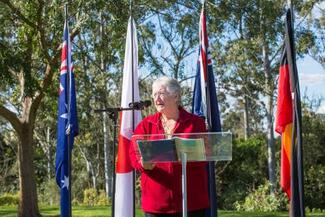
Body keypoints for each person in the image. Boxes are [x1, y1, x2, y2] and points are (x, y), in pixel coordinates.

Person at [130, 76, 209, 217]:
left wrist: (185, 157)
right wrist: (143, 164)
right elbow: (134, 155)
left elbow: (206, 154)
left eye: (161, 93)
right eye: (154, 94)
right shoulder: (145, 125)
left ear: (176, 96)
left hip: (191, 201)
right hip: (156, 203)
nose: (157, 99)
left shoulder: (195, 123)